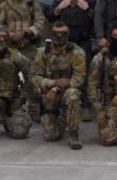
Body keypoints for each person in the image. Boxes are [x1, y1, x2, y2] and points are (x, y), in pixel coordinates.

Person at [0, 0, 45, 122]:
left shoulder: (33, 4)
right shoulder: (5, 5)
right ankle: (6, 109)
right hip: (10, 47)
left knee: (32, 78)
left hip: (29, 46)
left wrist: (28, 32)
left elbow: (40, 22)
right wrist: (7, 33)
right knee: (7, 78)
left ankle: (34, 109)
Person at [47, 0, 96, 122]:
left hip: (83, 41)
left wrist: (87, 9)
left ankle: (85, 106)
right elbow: (49, 15)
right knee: (62, 72)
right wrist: (59, 8)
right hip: (64, 43)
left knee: (85, 73)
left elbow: (97, 19)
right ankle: (62, 103)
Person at [32, 21, 86, 149]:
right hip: (48, 92)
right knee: (51, 136)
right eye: (56, 34)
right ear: (52, 34)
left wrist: (57, 88)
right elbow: (34, 76)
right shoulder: (43, 52)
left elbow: (79, 77)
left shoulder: (76, 52)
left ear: (68, 35)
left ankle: (73, 134)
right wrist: (50, 83)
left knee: (73, 95)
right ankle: (62, 118)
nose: (59, 37)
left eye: (63, 34)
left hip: (66, 91)